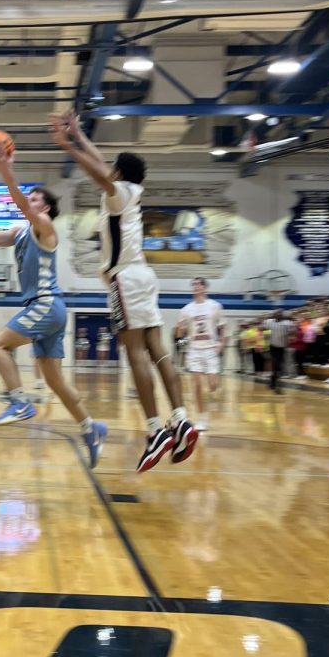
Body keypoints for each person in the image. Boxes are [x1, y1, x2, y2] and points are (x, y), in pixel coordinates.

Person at [50, 110, 197, 472]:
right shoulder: (131, 192)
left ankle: (154, 431)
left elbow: (98, 171)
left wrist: (68, 144)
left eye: (112, 169)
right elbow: (103, 165)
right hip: (145, 276)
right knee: (156, 349)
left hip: (124, 279)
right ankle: (179, 419)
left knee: (134, 354)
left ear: (118, 174)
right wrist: (80, 132)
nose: (107, 170)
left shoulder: (116, 194)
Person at [0, 144, 107, 468]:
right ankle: (91, 427)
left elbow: (24, 206)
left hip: (45, 304)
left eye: (37, 199)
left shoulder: (46, 229)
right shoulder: (21, 230)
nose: (31, 201)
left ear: (48, 209)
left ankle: (19, 402)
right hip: (49, 309)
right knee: (55, 381)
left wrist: (4, 168)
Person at [175, 278, 225, 432]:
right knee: (196, 384)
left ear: (205, 288)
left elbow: (223, 327)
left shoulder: (215, 306)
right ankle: (202, 418)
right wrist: (179, 328)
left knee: (212, 385)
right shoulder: (186, 309)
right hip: (194, 350)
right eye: (193, 285)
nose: (195, 287)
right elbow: (179, 333)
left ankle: (213, 393)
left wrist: (221, 344)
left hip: (210, 349)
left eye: (198, 284)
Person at [264, 309, 296, 393]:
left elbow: (293, 331)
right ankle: (275, 384)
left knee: (278, 365)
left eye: (280, 313)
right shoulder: (269, 322)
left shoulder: (287, 323)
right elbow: (262, 328)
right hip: (273, 346)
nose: (278, 315)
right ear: (274, 315)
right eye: (277, 313)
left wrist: (291, 334)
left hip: (281, 347)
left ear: (282, 315)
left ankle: (273, 382)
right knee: (275, 363)